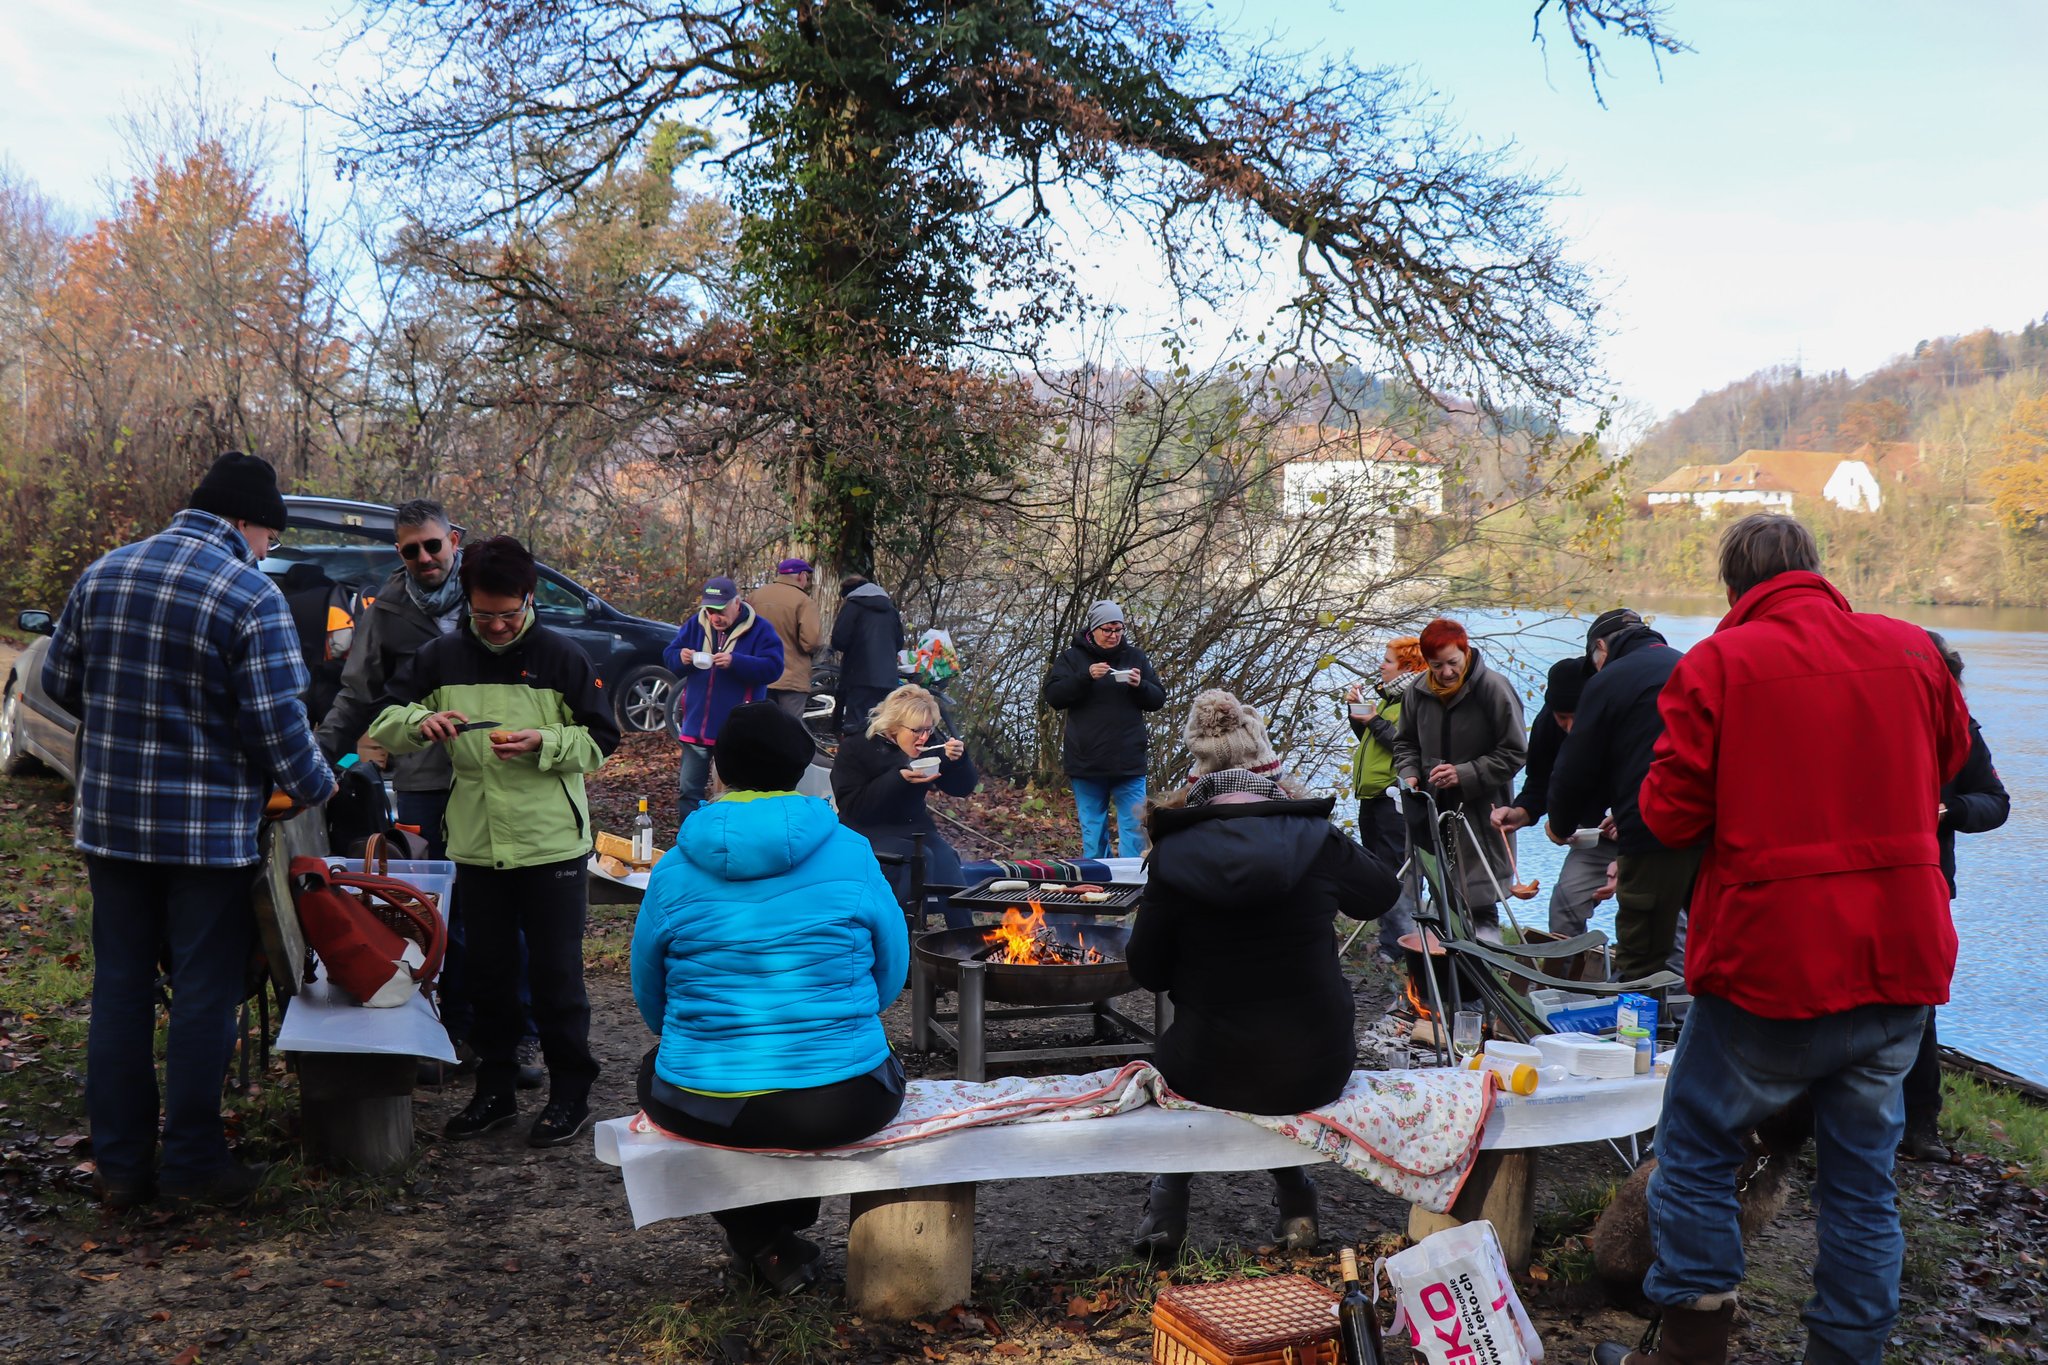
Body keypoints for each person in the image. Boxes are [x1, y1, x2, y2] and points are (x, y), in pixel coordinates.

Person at [1593, 514, 1971, 1365]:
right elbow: (1949, 759)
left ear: (1735, 587)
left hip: (1772, 957)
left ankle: (1691, 1350)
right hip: (1898, 952)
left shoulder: (1720, 663)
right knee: (1863, 1179)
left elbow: (1667, 814)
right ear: (1817, 570)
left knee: (1696, 1147)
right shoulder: (1913, 651)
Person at [42, 452, 338, 1209]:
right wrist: (319, 786)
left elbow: (60, 681)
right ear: (246, 522)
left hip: (111, 826)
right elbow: (276, 725)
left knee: (120, 987)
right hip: (206, 838)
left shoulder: (104, 572)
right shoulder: (250, 594)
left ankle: (120, 1167)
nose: (267, 551)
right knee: (205, 990)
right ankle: (193, 1165)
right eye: (269, 536)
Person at [632, 702, 909, 1294]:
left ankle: (762, 1241)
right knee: (848, 1077)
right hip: (842, 1099)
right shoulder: (851, 851)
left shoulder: (673, 867)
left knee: (658, 1073)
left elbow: (651, 997)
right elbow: (890, 974)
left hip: (703, 1098)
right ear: (801, 769)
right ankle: (774, 1240)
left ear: (719, 770)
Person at [1126, 691, 1400, 1259]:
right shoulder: (1317, 839)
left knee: (1189, 1056)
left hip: (1209, 1067)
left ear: (1198, 776)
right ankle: (1297, 1199)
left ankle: (1167, 1204)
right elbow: (1380, 895)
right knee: (1265, 1055)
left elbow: (1147, 971)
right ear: (1269, 772)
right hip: (1317, 1064)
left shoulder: (1172, 853)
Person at [370, 535, 621, 1150]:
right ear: (468, 604)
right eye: (485, 616)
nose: (499, 627)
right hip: (477, 844)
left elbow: (601, 739)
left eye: (509, 614)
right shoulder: (441, 656)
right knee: (489, 975)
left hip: (551, 845)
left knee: (557, 976)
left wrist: (545, 743)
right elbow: (383, 721)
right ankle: (495, 1089)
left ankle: (570, 1091)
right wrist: (418, 723)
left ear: (529, 599)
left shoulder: (562, 656)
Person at [316, 499, 542, 1090]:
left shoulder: (490, 593)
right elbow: (358, 693)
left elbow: (538, 674)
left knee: (506, 910)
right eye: (411, 549)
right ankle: (448, 1033)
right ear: (399, 552)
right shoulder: (386, 610)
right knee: (435, 913)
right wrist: (314, 758)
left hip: (497, 776)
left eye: (433, 545)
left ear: (453, 540)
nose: (424, 557)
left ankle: (516, 1034)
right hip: (425, 783)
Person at [1898, 632, 2009, 1164]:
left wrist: (1952, 810)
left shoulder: (1961, 729)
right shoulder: (1868, 720)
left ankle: (1921, 1124)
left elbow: (1995, 801)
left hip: (1926, 881)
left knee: (1919, 1004)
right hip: (1860, 877)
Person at [1546, 609, 1700, 982]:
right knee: (1694, 938)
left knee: (1641, 954)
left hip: (1649, 834)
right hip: (1705, 830)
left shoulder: (1609, 680)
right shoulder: (1690, 667)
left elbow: (1574, 768)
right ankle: (1686, 1012)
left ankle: (1637, 1015)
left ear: (1601, 647)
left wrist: (1560, 824)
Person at [1390, 617, 1527, 935]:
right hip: (1430, 812)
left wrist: (1464, 773)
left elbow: (1515, 752)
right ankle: (1442, 961)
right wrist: (1410, 774)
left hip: (1479, 816)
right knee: (1438, 897)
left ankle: (1485, 962)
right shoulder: (1417, 691)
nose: (1446, 672)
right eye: (1437, 665)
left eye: (1452, 662)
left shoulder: (1493, 688)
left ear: (1465, 651)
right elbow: (1405, 744)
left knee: (1479, 903)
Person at [831, 684, 978, 926]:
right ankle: (904, 936)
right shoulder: (856, 747)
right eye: (917, 730)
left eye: (929, 730)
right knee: (919, 859)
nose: (924, 738)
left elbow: (961, 789)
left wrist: (958, 761)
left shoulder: (929, 747)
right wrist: (898, 779)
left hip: (914, 827)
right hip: (866, 830)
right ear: (894, 725)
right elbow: (852, 806)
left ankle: (964, 941)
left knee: (946, 861)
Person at [1491, 655, 1611, 937]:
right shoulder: (1548, 722)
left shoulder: (1617, 719)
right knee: (1565, 905)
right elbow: (1540, 781)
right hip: (1595, 836)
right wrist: (1520, 813)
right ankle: (1566, 966)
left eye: (1575, 717)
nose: (1569, 726)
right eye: (1562, 718)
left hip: (1645, 830)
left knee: (1656, 917)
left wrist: (1624, 814)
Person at [1041, 600, 1168, 859]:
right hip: (1086, 760)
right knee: (1093, 832)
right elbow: (1054, 697)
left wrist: (1140, 685)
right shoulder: (1072, 658)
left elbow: (1157, 700)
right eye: (1107, 629)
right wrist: (1085, 677)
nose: (1113, 635)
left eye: (1118, 629)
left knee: (1135, 829)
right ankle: (1097, 876)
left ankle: (1131, 879)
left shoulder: (1135, 657)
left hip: (1129, 761)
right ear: (1094, 629)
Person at [665, 576, 785, 821]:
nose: (714, 617)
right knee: (689, 791)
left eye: (720, 610)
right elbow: (669, 657)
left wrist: (736, 662)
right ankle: (690, 836)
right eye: (709, 611)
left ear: (736, 603)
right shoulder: (695, 625)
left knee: (734, 794)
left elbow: (774, 668)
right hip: (696, 726)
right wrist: (680, 657)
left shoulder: (760, 629)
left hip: (737, 729)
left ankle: (730, 835)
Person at [1347, 637, 1425, 959]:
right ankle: (1388, 941)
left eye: (1388, 661)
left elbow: (1407, 747)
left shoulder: (1415, 701)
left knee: (1398, 873)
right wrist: (1358, 715)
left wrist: (1375, 721)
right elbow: (1374, 741)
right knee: (1378, 871)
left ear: (1408, 667)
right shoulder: (1390, 700)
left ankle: (1400, 947)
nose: (1382, 665)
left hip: (1394, 799)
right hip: (1373, 797)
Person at [749, 558, 824, 721]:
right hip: (791, 678)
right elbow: (811, 642)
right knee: (789, 728)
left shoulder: (755, 596)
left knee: (758, 725)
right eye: (807, 577)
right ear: (801, 575)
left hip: (759, 673)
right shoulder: (804, 602)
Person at [831, 575, 906, 735]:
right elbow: (899, 642)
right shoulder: (891, 609)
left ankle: (855, 750)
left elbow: (839, 640)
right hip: (888, 679)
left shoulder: (852, 606)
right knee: (880, 725)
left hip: (859, 676)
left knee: (856, 726)